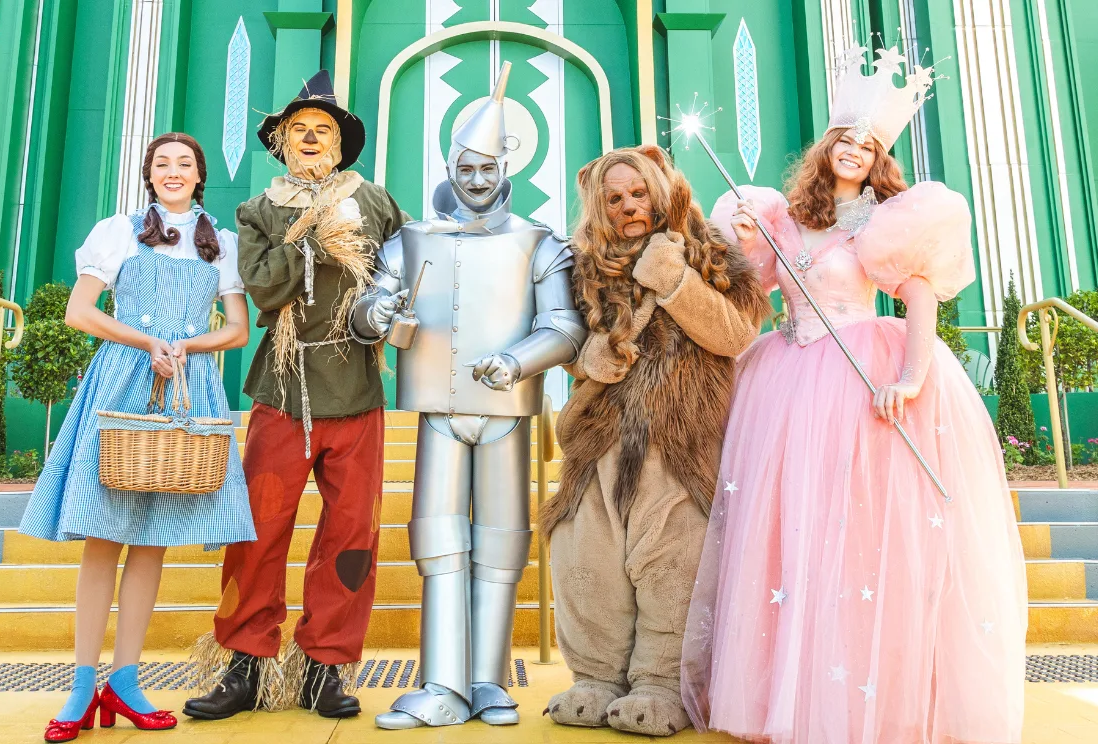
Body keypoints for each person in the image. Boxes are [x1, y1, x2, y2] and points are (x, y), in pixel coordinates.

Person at [680, 45, 1027, 743]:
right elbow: (756, 290)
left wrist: (913, 376)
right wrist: (744, 243)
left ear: (877, 162)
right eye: (847, 139)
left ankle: (862, 695)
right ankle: (787, 693)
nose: (855, 151)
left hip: (855, 371)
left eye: (869, 147)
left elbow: (919, 296)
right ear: (828, 146)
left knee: (853, 531)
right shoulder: (783, 216)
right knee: (789, 530)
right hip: (785, 379)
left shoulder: (883, 222)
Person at [350, 62, 586, 730]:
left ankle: (487, 680)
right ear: (450, 169)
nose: (476, 181)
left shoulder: (539, 242)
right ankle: (441, 683)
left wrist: (516, 360)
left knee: (502, 544)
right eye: (466, 169)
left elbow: (565, 327)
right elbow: (368, 309)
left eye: (486, 169)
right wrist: (377, 314)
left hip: (507, 412)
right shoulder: (411, 240)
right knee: (438, 541)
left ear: (505, 170)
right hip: (440, 410)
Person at [183, 70, 406, 721]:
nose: (310, 138)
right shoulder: (259, 210)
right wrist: (312, 237)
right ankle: (245, 666)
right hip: (282, 389)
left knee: (353, 535)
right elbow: (263, 286)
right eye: (298, 130)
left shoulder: (375, 202)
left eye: (322, 130)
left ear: (340, 144)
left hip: (355, 386)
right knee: (257, 530)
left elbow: (408, 270)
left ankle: (324, 668)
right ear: (281, 142)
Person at [19, 132, 255, 741]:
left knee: (152, 542)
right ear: (149, 174)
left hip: (184, 386)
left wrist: (184, 346)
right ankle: (80, 686)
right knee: (104, 538)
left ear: (199, 175)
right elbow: (80, 312)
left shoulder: (219, 241)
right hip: (121, 381)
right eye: (162, 163)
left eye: (185, 164)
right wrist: (145, 340)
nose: (173, 172)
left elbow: (236, 329)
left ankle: (125, 681)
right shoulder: (119, 231)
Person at [540, 144, 770, 737]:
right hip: (600, 439)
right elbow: (563, 336)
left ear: (659, 190)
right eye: (614, 198)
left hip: (681, 441)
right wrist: (586, 360)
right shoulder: (582, 265)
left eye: (638, 193)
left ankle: (662, 684)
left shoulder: (709, 249)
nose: (628, 206)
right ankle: (595, 676)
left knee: (675, 560)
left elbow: (737, 334)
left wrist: (676, 282)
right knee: (585, 553)